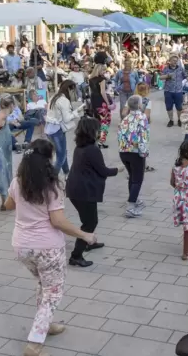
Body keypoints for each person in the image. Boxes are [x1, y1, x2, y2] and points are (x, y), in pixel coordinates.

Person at [3, 139, 96, 356]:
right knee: (53, 293)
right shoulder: (52, 185)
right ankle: (34, 345)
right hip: (47, 248)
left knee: (44, 285)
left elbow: (8, 205)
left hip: (22, 247)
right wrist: (84, 235)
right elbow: (58, 221)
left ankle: (46, 323)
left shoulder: (18, 181)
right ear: (48, 159)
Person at [65, 117, 118, 267]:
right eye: (98, 129)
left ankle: (88, 242)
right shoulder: (92, 149)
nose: (100, 131)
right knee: (90, 222)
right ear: (92, 131)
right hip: (83, 191)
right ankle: (76, 256)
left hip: (76, 189)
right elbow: (103, 170)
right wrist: (117, 169)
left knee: (88, 220)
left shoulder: (80, 147)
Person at [119, 95, 150, 218]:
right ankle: (131, 207)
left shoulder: (125, 118)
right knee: (138, 179)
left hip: (123, 151)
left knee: (132, 176)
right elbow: (144, 136)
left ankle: (133, 198)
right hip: (136, 152)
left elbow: (120, 134)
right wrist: (144, 153)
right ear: (139, 105)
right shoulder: (142, 117)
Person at [45, 80, 83, 176]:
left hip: (49, 129)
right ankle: (52, 178)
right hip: (57, 130)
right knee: (61, 156)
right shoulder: (64, 100)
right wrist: (76, 112)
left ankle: (67, 171)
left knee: (62, 151)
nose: (74, 92)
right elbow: (67, 118)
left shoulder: (54, 96)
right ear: (69, 89)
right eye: (73, 90)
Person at [160, 54, 188, 127]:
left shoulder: (180, 68)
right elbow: (160, 77)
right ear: (170, 61)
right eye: (173, 60)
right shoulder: (166, 68)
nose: (175, 62)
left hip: (178, 91)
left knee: (179, 107)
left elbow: (186, 77)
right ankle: (171, 120)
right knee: (169, 107)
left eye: (176, 60)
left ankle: (179, 119)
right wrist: (168, 76)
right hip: (168, 91)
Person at [88, 64, 111, 148]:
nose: (105, 72)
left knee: (97, 120)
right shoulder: (102, 79)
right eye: (103, 70)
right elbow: (102, 92)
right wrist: (108, 103)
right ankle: (101, 141)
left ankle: (96, 138)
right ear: (100, 70)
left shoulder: (90, 79)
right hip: (101, 101)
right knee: (105, 121)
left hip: (94, 100)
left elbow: (90, 92)